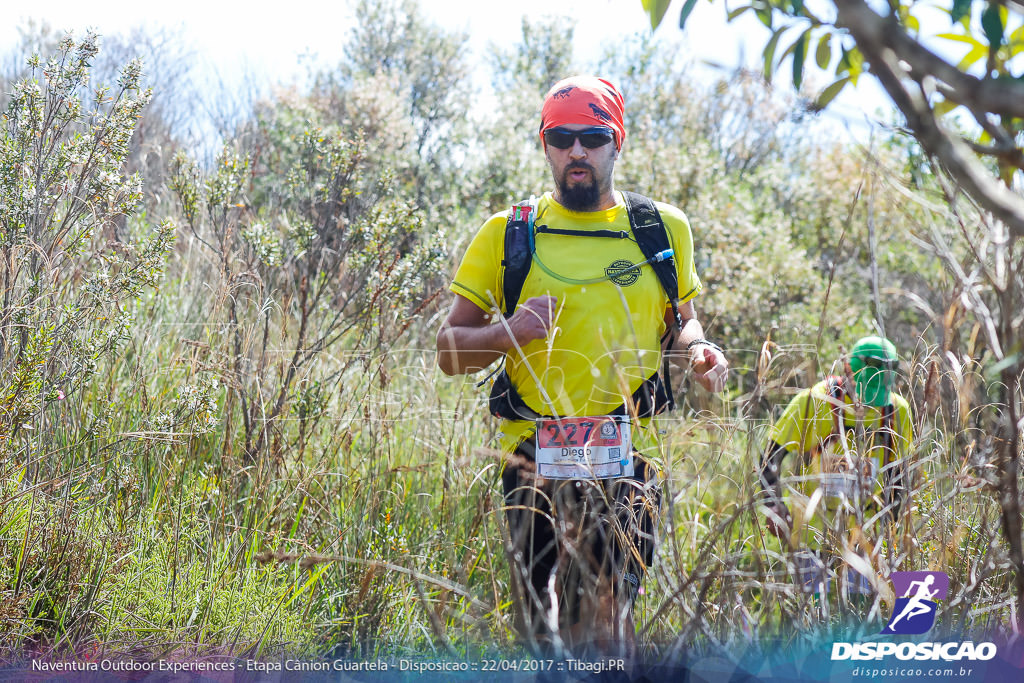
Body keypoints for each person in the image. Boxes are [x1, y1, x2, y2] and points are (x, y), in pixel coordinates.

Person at [436, 75, 728, 657]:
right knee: (536, 615)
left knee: (606, 620)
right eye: (561, 136)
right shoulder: (509, 233)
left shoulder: (661, 228)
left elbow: (682, 320)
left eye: (592, 137)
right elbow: (448, 350)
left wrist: (698, 349)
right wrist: (508, 332)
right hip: (531, 454)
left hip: (628, 455)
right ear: (544, 144)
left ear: (616, 141)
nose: (577, 151)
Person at [758, 335, 914, 595]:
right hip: (812, 536)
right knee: (814, 616)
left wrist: (892, 534)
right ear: (847, 369)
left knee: (859, 619)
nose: (868, 403)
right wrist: (773, 504)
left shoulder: (897, 411)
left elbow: (897, 474)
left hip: (865, 539)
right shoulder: (813, 402)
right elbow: (769, 457)